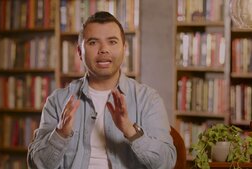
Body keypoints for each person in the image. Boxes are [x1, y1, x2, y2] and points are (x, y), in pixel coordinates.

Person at [27, 11, 176, 169]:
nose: (103, 49)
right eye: (93, 42)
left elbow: (166, 163)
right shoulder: (58, 100)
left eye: (112, 42)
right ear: (79, 52)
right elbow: (36, 165)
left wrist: (130, 130)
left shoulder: (148, 99)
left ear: (124, 49)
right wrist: (60, 134)